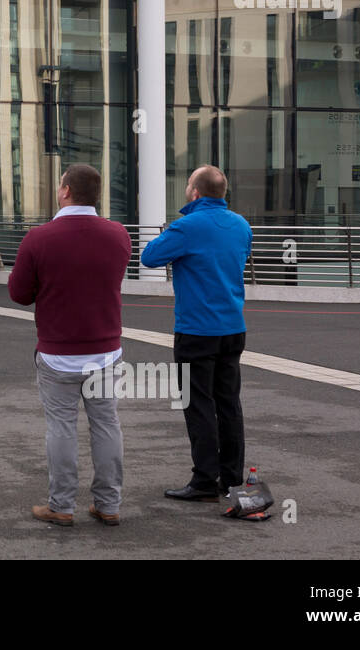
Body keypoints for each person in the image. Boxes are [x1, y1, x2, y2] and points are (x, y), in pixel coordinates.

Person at [8, 164, 132, 527]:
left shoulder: (38, 238)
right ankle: (108, 504)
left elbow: (19, 294)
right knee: (107, 424)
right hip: (105, 350)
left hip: (58, 353)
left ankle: (61, 505)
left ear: (65, 191)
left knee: (61, 428)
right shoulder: (118, 235)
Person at [140, 165, 253, 502]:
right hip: (233, 327)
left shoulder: (187, 226)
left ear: (195, 193)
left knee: (198, 404)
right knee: (229, 403)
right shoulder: (241, 225)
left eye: (188, 185)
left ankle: (204, 479)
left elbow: (149, 257)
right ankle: (231, 478)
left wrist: (174, 235)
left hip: (196, 329)